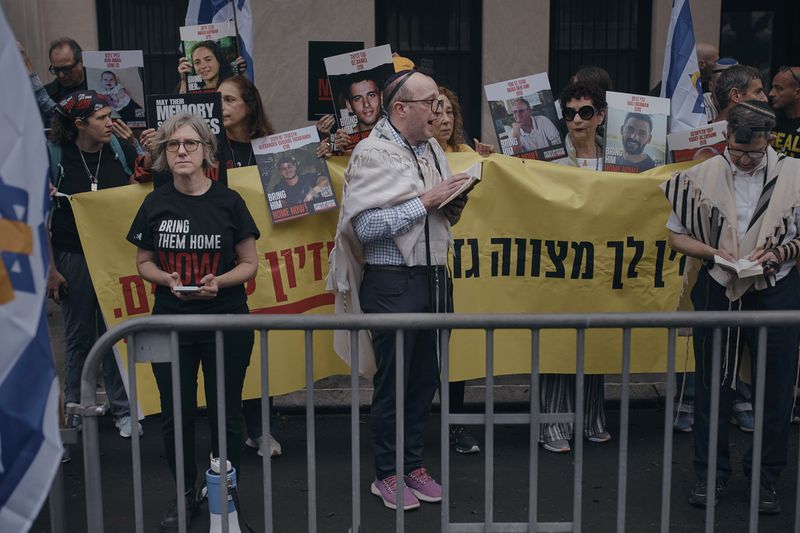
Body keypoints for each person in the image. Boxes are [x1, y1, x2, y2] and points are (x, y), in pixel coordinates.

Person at [327, 69, 471, 510]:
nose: (439, 110)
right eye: (430, 102)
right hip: (392, 281)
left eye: (440, 102)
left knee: (424, 379)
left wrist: (454, 201)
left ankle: (413, 465)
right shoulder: (373, 154)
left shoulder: (430, 148)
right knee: (394, 382)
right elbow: (367, 227)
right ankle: (386, 474)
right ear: (401, 109)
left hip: (432, 276)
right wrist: (425, 202)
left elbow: (441, 219)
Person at [662, 100, 800, 514]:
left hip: (776, 286)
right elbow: (675, 236)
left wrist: (780, 252)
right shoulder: (702, 174)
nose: (743, 160)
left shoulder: (794, 175)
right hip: (719, 283)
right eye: (737, 151)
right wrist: (713, 253)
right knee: (712, 388)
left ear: (769, 140)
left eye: (753, 153)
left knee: (775, 391)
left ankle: (766, 480)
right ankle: (710, 477)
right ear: (726, 138)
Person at [127, 113, 260, 531]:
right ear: (164, 155)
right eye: (172, 145)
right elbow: (143, 261)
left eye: (189, 144)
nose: (181, 151)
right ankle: (186, 492)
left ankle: (225, 491)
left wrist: (218, 282)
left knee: (227, 412)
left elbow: (249, 264)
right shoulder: (155, 202)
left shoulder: (229, 202)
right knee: (175, 415)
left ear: (207, 151)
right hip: (171, 323)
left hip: (225, 321)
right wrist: (164, 278)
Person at [45, 90, 141, 439]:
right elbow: (42, 220)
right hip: (73, 256)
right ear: (79, 124)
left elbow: (142, 183)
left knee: (115, 332)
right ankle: (74, 409)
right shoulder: (56, 156)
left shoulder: (117, 148)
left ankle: (123, 409)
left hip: (115, 256)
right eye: (101, 118)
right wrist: (51, 270)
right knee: (78, 337)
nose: (109, 123)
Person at [539, 81, 610, 452]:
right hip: (558, 263)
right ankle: (552, 423)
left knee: (594, 338)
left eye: (585, 112)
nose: (577, 120)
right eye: (569, 113)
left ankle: (591, 418)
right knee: (556, 341)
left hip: (601, 264)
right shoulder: (550, 159)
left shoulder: (620, 162)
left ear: (600, 115)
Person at [216, 75, 283, 458]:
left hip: (267, 262)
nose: (222, 107)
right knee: (230, 355)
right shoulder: (208, 149)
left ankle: (262, 429)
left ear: (248, 105)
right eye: (217, 101)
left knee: (264, 350)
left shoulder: (270, 148)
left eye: (229, 100)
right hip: (223, 264)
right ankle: (231, 431)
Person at [433, 86, 494, 157]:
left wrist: (484, 160)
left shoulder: (464, 151)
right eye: (437, 113)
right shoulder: (419, 159)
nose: (446, 120)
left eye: (449, 112)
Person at [177, 40, 244, 93]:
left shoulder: (232, 85)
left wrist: (243, 74)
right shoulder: (192, 88)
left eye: (208, 59)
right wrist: (184, 80)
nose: (203, 66)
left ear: (219, 61)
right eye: (197, 62)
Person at [769, 66, 800, 159]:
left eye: (779, 89)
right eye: (772, 87)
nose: (771, 93)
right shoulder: (769, 121)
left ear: (797, 93)